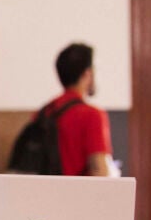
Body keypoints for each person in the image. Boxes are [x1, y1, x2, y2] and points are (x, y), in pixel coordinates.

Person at [47, 42, 115, 176]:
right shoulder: (92, 115)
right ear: (87, 73)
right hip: (79, 189)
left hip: (45, 188)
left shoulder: (45, 112)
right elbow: (99, 170)